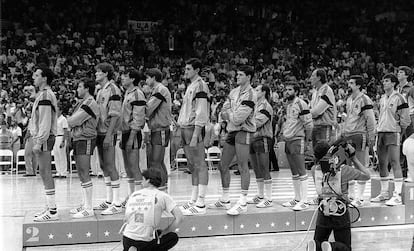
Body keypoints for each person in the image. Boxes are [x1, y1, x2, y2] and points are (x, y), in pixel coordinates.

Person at [209, 65, 257, 216]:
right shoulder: (234, 92)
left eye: (241, 75)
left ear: (249, 77)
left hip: (244, 131)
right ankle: (225, 199)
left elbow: (238, 118)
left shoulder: (251, 94)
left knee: (243, 166)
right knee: (223, 165)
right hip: (232, 131)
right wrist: (230, 114)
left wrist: (229, 114)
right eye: (237, 74)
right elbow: (222, 111)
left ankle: (243, 201)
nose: (237, 77)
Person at [306, 141, 370, 251]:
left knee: (319, 243)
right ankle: (333, 247)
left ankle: (315, 246)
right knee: (345, 246)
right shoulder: (344, 170)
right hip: (340, 212)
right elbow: (367, 175)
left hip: (323, 211)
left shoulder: (314, 170)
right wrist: (354, 158)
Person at [177, 58, 211, 215]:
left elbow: (201, 111)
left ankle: (201, 203)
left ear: (197, 70)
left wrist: (197, 133)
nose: (186, 71)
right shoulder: (190, 85)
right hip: (184, 127)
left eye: (189, 69)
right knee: (191, 165)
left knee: (200, 164)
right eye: (185, 69)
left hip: (193, 128)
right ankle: (193, 199)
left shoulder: (200, 85)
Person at [371, 74, 410, 206]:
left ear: (393, 83)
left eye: (387, 81)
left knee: (395, 162)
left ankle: (397, 195)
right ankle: (384, 192)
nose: (384, 83)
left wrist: (399, 130)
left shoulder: (400, 98)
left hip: (393, 132)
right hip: (381, 132)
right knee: (382, 163)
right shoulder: (382, 98)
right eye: (383, 81)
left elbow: (405, 120)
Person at [121, 168, 183, 251]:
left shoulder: (134, 195)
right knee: (172, 237)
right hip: (145, 241)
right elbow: (179, 218)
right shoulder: (163, 196)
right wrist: (165, 231)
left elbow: (126, 219)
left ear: (148, 180)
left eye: (143, 179)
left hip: (127, 237)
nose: (141, 181)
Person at [67, 78, 99, 218]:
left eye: (80, 87)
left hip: (86, 137)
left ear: (87, 88)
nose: (77, 89)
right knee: (80, 171)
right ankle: (85, 203)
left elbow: (73, 120)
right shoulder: (82, 103)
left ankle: (89, 207)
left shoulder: (90, 102)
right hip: (78, 137)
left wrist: (69, 121)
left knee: (85, 171)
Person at [341, 75, 376, 207]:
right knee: (348, 166)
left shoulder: (365, 99)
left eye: (351, 83)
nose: (348, 85)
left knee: (360, 165)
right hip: (348, 134)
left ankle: (360, 197)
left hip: (359, 135)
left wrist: (372, 136)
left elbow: (370, 119)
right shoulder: (349, 99)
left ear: (358, 85)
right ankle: (351, 195)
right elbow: (349, 117)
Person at [94, 62, 123, 215]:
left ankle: (117, 202)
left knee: (111, 165)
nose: (96, 74)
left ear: (106, 73)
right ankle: (109, 199)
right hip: (99, 131)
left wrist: (110, 134)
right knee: (104, 166)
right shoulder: (100, 90)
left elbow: (115, 114)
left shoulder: (113, 89)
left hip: (107, 132)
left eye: (98, 72)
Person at [31, 65, 59, 222]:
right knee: (43, 171)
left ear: (44, 78)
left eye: (36, 75)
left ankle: (53, 211)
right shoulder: (42, 94)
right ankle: (49, 206)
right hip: (44, 137)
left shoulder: (46, 96)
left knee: (45, 171)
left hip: (45, 138)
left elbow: (45, 121)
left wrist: (39, 141)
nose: (34, 78)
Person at [281, 82, 313, 211]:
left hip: (297, 139)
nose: (286, 92)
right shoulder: (288, 105)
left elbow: (309, 124)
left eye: (290, 90)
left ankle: (304, 200)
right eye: (286, 89)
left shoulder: (301, 103)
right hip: (288, 140)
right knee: (294, 171)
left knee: (301, 170)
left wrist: (307, 141)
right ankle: (297, 198)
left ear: (296, 91)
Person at [120, 68, 146, 204]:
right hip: (125, 132)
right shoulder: (127, 93)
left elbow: (138, 118)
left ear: (132, 79)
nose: (122, 78)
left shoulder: (137, 94)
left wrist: (132, 137)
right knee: (127, 167)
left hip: (132, 133)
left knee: (134, 166)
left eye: (125, 76)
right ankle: (131, 194)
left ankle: (139, 196)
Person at [247, 84, 274, 208]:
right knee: (256, 168)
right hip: (252, 138)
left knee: (264, 167)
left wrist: (243, 122)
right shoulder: (255, 105)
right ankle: (260, 195)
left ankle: (268, 198)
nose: (255, 92)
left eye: (257, 90)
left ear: (263, 92)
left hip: (263, 138)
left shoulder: (266, 106)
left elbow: (257, 123)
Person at [145, 68, 172, 190]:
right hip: (156, 128)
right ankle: (163, 186)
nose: (146, 80)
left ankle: (161, 186)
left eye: (147, 78)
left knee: (156, 161)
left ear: (153, 78)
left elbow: (148, 109)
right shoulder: (155, 90)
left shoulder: (161, 90)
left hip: (161, 128)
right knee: (158, 161)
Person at [310, 69, 337, 147]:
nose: (310, 78)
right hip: (315, 126)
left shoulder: (326, 90)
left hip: (324, 127)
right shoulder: (315, 92)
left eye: (312, 76)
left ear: (319, 77)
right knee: (316, 154)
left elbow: (317, 112)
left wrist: (304, 113)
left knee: (324, 154)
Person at [53, 104, 69, 178]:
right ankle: (58, 171)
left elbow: (66, 131)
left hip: (61, 137)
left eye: (57, 110)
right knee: (56, 155)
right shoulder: (55, 119)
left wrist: (63, 141)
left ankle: (63, 172)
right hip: (55, 137)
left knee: (62, 155)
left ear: (60, 111)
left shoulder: (63, 119)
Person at [23, 104, 37, 176]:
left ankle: (29, 171)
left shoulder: (31, 120)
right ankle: (34, 171)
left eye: (28, 112)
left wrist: (25, 138)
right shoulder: (38, 119)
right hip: (37, 138)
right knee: (34, 155)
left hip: (31, 138)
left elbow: (29, 131)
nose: (27, 114)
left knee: (27, 154)